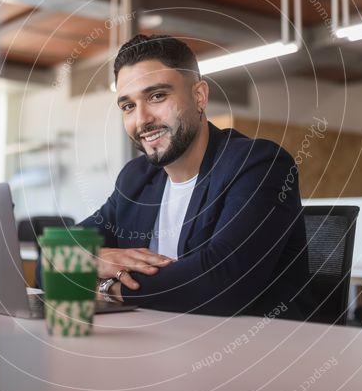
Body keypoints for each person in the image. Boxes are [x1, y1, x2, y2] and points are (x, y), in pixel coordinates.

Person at [78, 34, 313, 319]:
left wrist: (109, 289)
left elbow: (221, 282)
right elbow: (52, 258)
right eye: (128, 106)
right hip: (158, 344)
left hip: (255, 351)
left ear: (198, 96)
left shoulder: (258, 164)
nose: (141, 120)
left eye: (157, 96)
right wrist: (91, 258)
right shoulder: (135, 179)